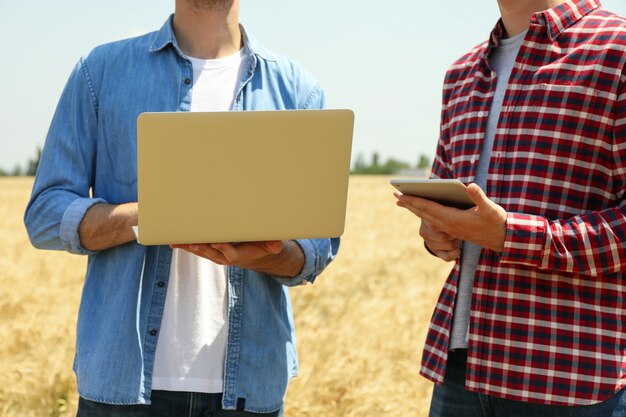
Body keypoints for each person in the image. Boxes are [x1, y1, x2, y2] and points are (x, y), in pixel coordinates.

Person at [24, 0, 338, 415]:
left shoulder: (298, 89)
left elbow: (315, 249)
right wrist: (155, 214)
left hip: (248, 389)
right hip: (121, 385)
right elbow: (45, 213)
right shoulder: (100, 71)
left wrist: (273, 254)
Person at [395, 0, 626, 416]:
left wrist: (508, 235)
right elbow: (448, 201)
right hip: (460, 371)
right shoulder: (462, 73)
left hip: (571, 378)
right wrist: (437, 233)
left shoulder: (618, 50)